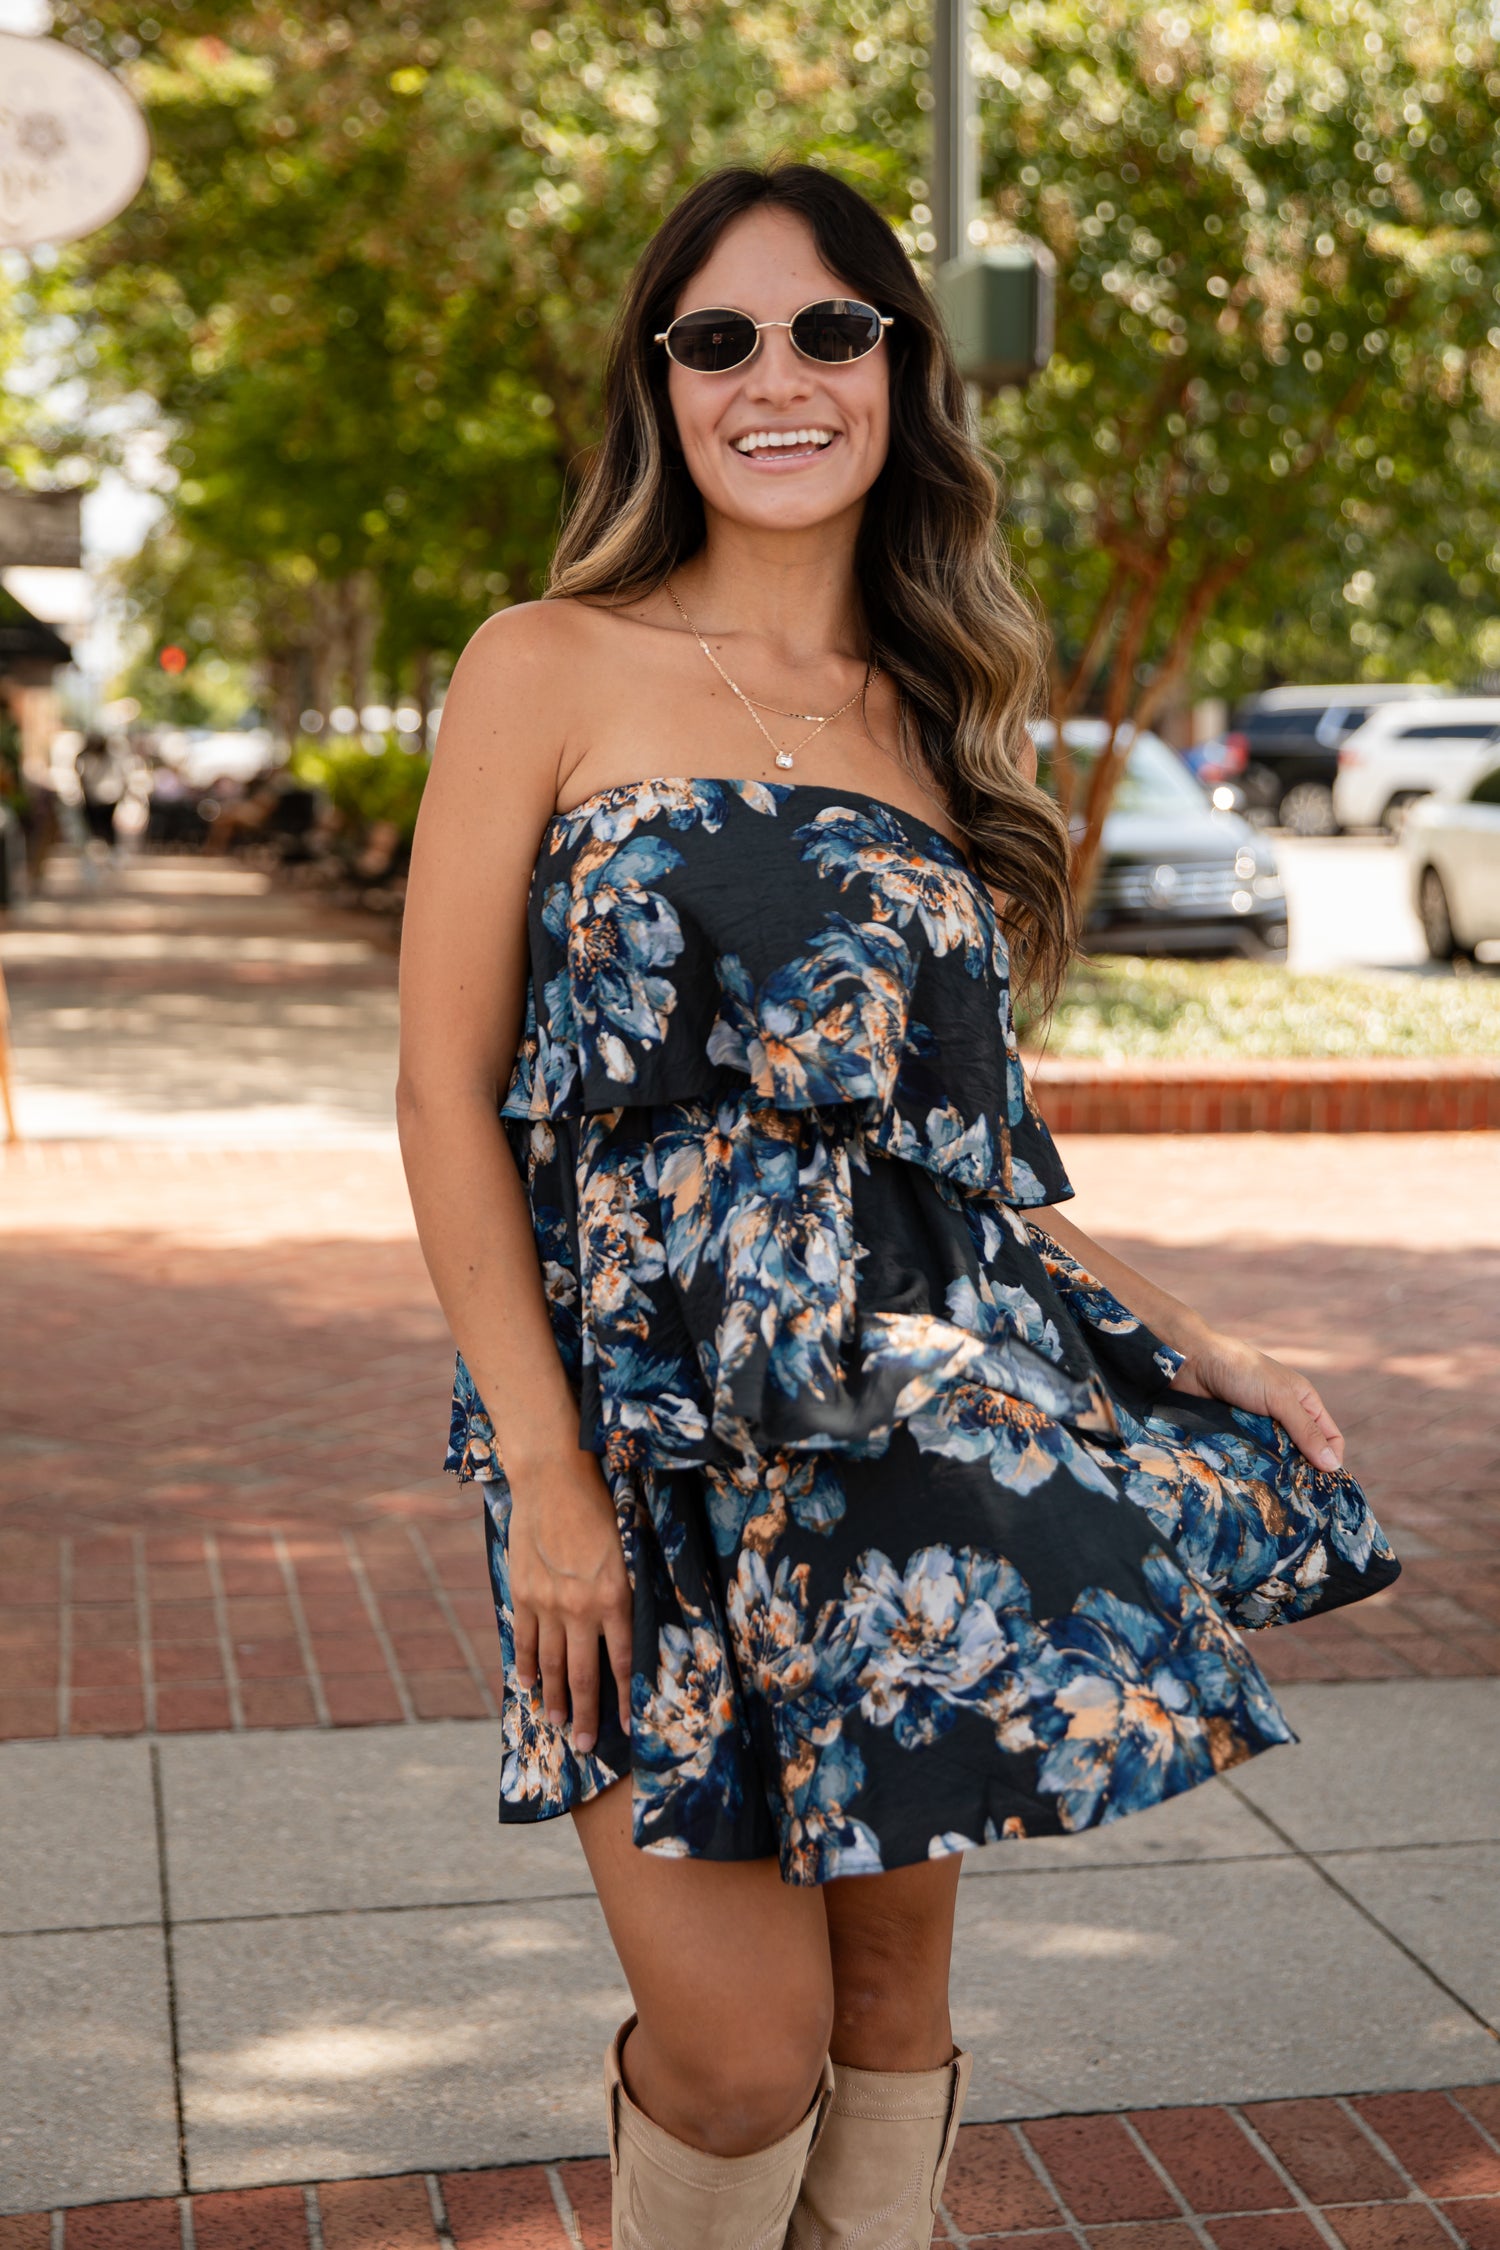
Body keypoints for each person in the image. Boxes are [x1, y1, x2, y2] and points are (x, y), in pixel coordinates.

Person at [397, 165, 1398, 2249]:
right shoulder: (544, 661)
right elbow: (442, 1091)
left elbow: (973, 1168)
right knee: (740, 2048)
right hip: (642, 1424)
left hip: (898, 1431)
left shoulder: (929, 725)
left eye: (829, 330)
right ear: (660, 387)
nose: (778, 376)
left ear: (901, 373)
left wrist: (1201, 1331)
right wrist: (553, 1481)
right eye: (720, 338)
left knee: (887, 2010)